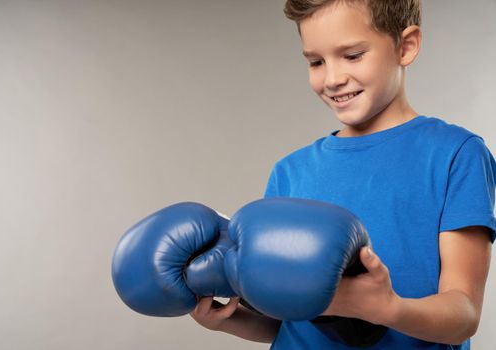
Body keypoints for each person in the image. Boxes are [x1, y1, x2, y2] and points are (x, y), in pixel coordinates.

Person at [190, 0, 496, 348]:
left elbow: (463, 314)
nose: (333, 79)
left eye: (352, 55)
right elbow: (291, 324)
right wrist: (227, 321)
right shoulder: (290, 172)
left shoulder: (456, 154)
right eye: (316, 62)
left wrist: (387, 309)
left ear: (405, 46)